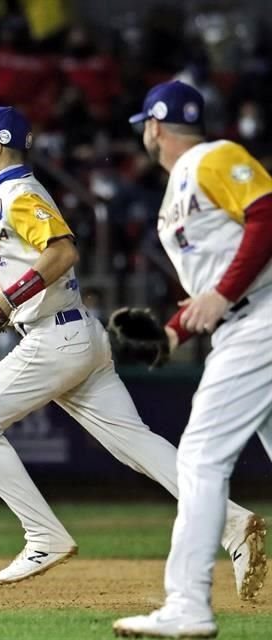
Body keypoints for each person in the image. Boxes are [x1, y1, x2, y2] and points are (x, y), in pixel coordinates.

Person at [0, 88, 266, 593]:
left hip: (53, 339)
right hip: (74, 336)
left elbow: (63, 251)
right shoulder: (0, 192)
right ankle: (235, 523)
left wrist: (4, 300)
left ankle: (43, 534)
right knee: (141, 447)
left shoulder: (22, 195)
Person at [113, 81, 272, 639]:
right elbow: (208, 292)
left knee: (200, 457)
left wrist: (223, 296)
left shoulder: (213, 156)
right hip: (243, 325)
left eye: (144, 128)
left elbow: (268, 215)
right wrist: (172, 334)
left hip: (261, 321)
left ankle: (187, 605)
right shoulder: (178, 193)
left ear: (154, 126)